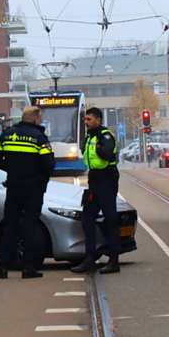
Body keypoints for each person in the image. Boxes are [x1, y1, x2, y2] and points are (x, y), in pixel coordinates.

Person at [0, 106, 54, 279]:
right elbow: (49, 164)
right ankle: (28, 266)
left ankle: (2, 266)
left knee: (10, 224)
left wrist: (10, 168)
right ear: (34, 119)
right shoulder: (39, 137)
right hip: (33, 186)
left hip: (14, 185)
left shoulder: (7, 134)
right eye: (39, 118)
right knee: (30, 225)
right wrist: (39, 175)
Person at [71, 107, 121, 274]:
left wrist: (99, 147)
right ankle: (89, 259)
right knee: (87, 220)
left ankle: (114, 260)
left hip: (107, 180)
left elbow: (106, 155)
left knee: (110, 221)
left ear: (98, 120)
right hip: (94, 180)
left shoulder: (105, 136)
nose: (86, 122)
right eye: (85, 120)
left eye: (89, 119)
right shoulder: (91, 136)